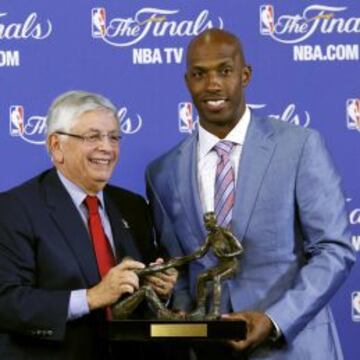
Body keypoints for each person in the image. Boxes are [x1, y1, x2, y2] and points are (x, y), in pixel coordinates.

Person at [145, 29, 356, 359]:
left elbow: (333, 249)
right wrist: (184, 316)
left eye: (224, 71)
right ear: (187, 81)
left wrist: (273, 320)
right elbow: (183, 270)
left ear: (245, 75)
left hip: (293, 348)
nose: (213, 84)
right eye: (200, 74)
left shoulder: (299, 146)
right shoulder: (163, 173)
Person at [0, 91, 177, 360]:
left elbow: (142, 298)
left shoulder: (133, 206)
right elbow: (8, 302)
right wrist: (92, 297)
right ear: (56, 146)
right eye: (92, 136)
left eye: (114, 137)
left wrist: (159, 290)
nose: (107, 147)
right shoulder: (15, 208)